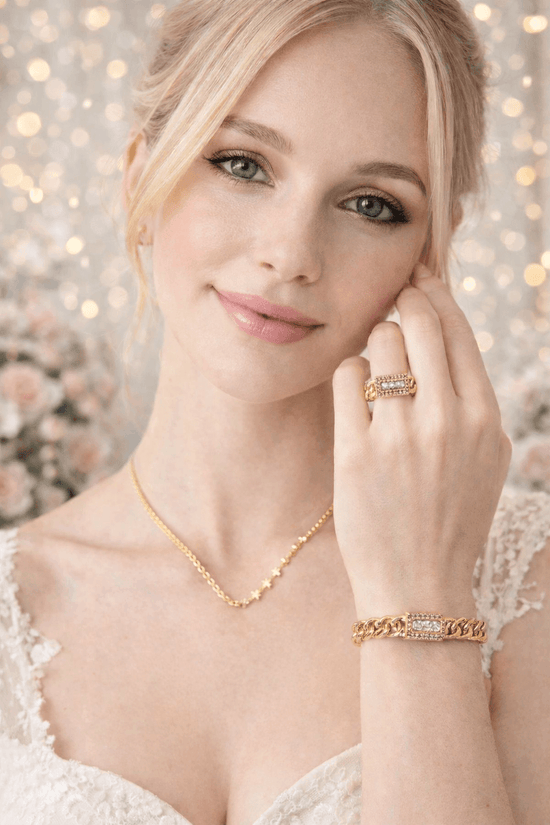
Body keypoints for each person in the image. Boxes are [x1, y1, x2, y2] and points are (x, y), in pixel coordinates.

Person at [0, 1, 549, 823]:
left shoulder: (526, 583)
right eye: (243, 164)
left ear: (429, 251)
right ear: (140, 177)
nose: (290, 254)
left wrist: (421, 595)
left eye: (370, 203)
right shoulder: (17, 597)